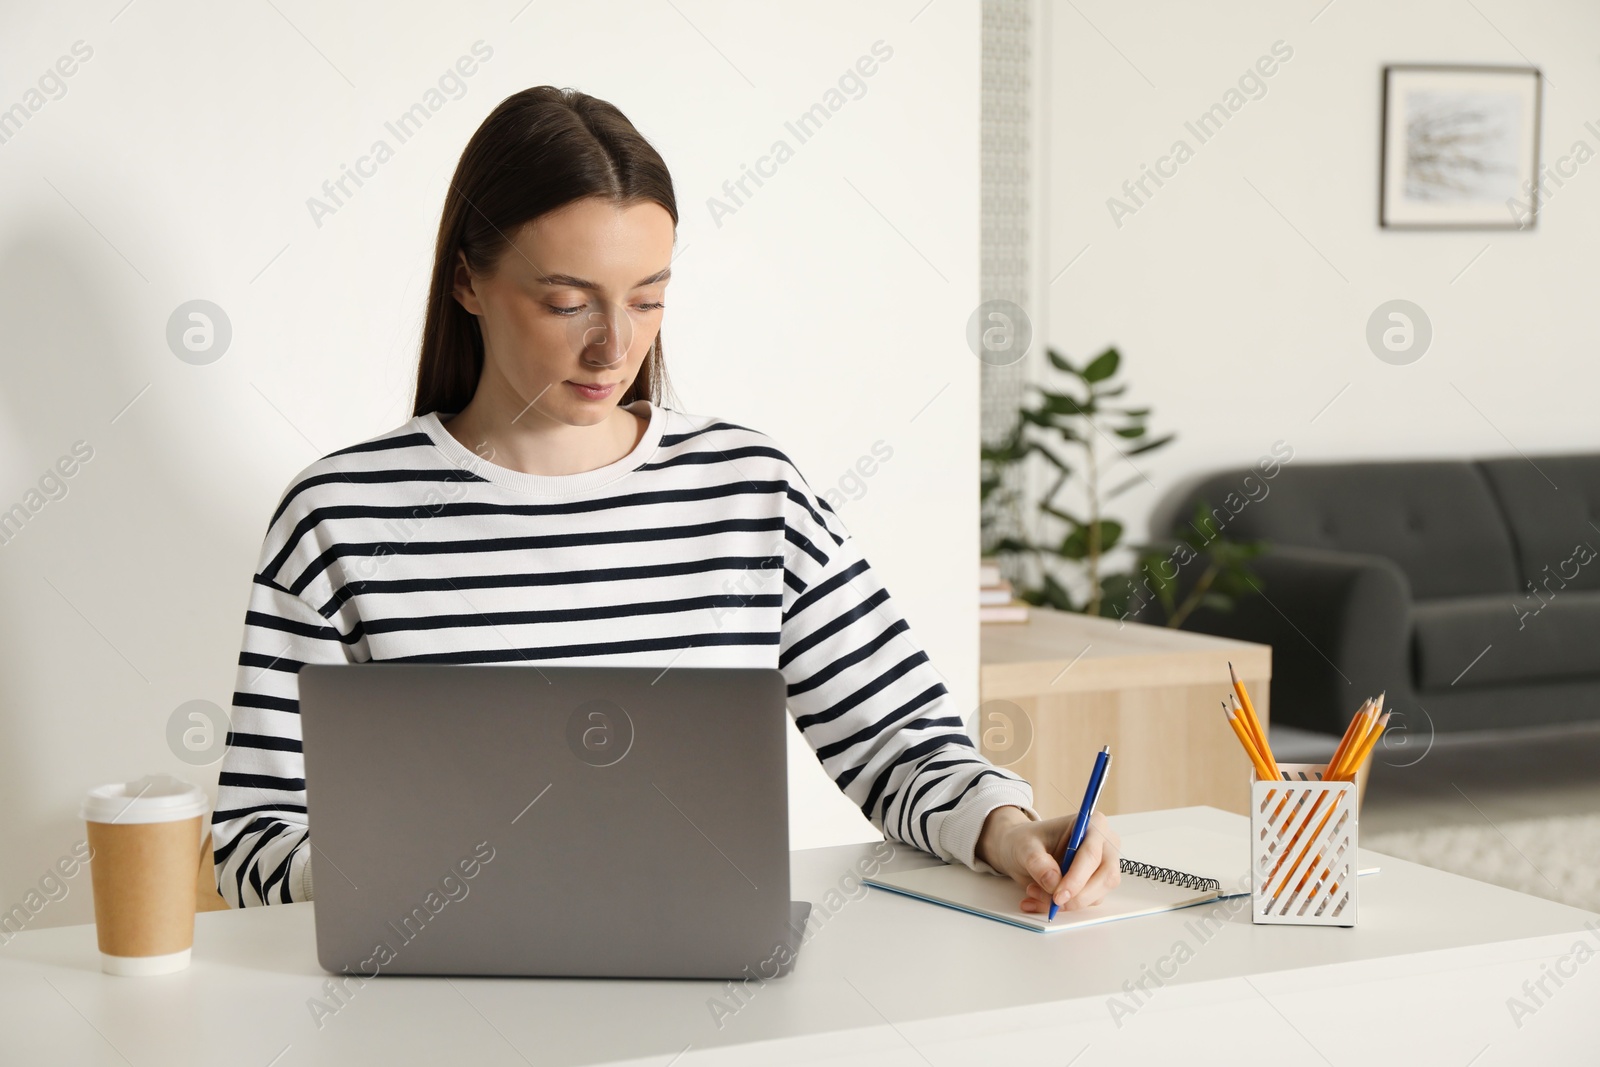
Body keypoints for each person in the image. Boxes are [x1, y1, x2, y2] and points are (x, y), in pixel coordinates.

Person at [211, 85, 1121, 917]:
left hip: (706, 992)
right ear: (467, 281)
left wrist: (1007, 825)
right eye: (569, 303)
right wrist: (412, 873)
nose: (617, 346)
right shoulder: (338, 517)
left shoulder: (751, 491)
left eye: (648, 299)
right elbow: (252, 844)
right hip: (441, 1007)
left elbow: (903, 744)